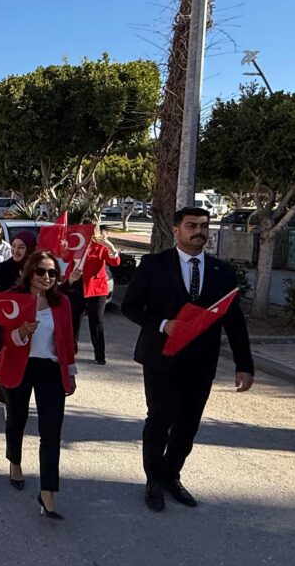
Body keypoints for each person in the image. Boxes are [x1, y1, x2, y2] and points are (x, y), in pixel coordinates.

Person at [121, 206, 253, 513]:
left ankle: (171, 475)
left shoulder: (223, 272)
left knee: (187, 425)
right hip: (161, 359)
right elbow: (130, 306)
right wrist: (165, 324)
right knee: (160, 419)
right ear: (176, 230)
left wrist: (244, 364)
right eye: (192, 225)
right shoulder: (154, 265)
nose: (199, 231)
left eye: (204, 226)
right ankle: (153, 479)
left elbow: (234, 322)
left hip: (201, 363)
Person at [0, 251, 77, 520]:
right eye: (41, 271)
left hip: (50, 369)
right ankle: (14, 462)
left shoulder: (61, 302)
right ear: (29, 272)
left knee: (51, 431)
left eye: (52, 273)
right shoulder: (13, 299)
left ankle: (48, 493)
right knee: (17, 419)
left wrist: (70, 373)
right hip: (19, 365)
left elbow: (67, 342)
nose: (46, 277)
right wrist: (20, 333)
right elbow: (4, 335)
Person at [65, 227, 120, 365]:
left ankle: (99, 354)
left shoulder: (100, 246)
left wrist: (110, 246)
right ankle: (71, 350)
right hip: (77, 284)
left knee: (96, 321)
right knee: (74, 319)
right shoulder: (76, 242)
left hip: (96, 288)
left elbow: (115, 262)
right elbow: (66, 258)